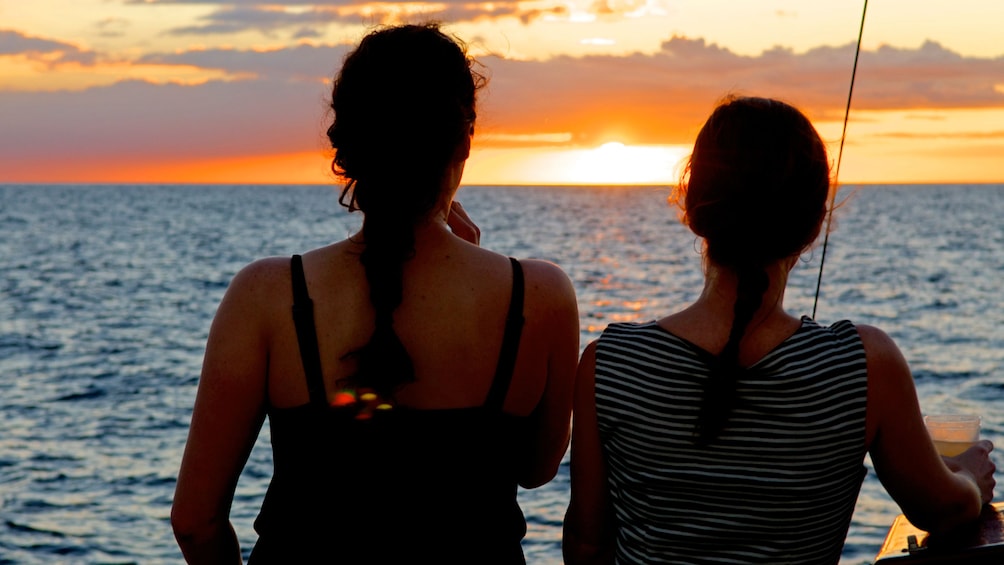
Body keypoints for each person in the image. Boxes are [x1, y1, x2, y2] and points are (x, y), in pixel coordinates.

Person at [171, 24, 579, 564]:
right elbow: (534, 468)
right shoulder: (539, 295)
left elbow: (196, 524)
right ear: (463, 139)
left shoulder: (267, 295)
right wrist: (480, 264)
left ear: (348, 145)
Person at [562, 95, 996, 564]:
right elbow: (942, 508)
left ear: (692, 207)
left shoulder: (608, 364)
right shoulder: (864, 364)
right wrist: (969, 479)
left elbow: (588, 547)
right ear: (813, 225)